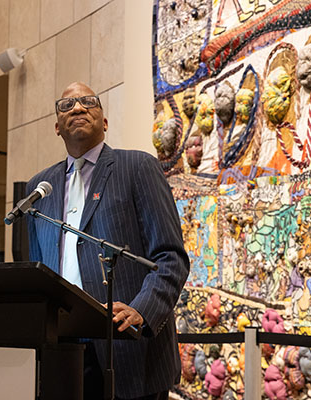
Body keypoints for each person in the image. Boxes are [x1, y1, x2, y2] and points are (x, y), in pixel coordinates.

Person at [26, 82, 190, 400]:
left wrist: (141, 311)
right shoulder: (39, 187)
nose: (77, 107)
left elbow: (170, 256)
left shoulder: (138, 167)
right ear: (57, 128)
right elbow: (38, 273)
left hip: (128, 346)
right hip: (61, 350)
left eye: (88, 101)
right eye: (66, 105)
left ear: (104, 122)